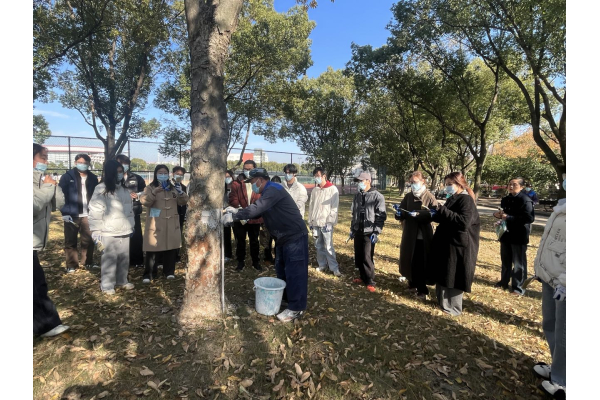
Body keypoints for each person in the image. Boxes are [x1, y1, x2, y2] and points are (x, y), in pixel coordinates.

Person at [223, 168, 309, 322]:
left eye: (252, 182)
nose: (252, 186)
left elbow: (256, 208)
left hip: (294, 236)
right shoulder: (267, 193)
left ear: (260, 180)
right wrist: (237, 211)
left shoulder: (273, 189)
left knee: (295, 272)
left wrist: (235, 216)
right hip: (282, 237)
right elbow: (257, 212)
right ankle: (287, 299)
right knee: (282, 270)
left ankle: (296, 308)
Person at [532, 175, 566, 398]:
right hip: (551, 276)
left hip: (566, 282)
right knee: (551, 324)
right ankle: (557, 367)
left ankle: (563, 381)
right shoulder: (563, 206)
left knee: (566, 333)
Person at [428, 172, 480, 316]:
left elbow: (464, 222)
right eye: (446, 184)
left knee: (454, 275)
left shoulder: (466, 200)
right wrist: (435, 213)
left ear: (459, 184)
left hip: (458, 245)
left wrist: (442, 210)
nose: (447, 187)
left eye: (450, 184)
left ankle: (453, 308)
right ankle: (443, 303)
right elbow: (446, 217)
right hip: (446, 242)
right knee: (444, 272)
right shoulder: (453, 198)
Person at [33, 143, 69, 337]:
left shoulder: (42, 179)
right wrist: (48, 187)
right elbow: (32, 206)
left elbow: (57, 205)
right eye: (43, 158)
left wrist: (54, 187)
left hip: (34, 241)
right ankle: (48, 325)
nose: (46, 162)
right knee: (36, 284)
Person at [88, 160, 135, 294]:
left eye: (121, 172)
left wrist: (132, 225)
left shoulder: (125, 189)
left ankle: (122, 280)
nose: (120, 174)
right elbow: (95, 210)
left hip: (125, 229)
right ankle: (107, 285)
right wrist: (96, 230)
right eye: (117, 172)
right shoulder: (101, 189)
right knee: (109, 258)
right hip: (108, 230)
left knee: (124, 257)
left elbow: (129, 210)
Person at [140, 165, 189, 282]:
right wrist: (154, 193)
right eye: (160, 172)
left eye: (165, 173)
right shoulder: (150, 187)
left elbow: (183, 201)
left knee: (170, 247)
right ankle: (150, 273)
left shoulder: (173, 187)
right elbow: (144, 201)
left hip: (171, 221)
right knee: (152, 247)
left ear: (168, 174)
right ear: (156, 174)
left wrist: (181, 192)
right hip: (156, 222)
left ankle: (169, 271)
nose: (163, 175)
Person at [395, 171, 438, 300]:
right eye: (411, 182)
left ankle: (422, 289)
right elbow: (402, 210)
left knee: (421, 262)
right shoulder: (408, 196)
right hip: (410, 234)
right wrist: (398, 214)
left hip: (422, 236)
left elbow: (435, 213)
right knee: (409, 259)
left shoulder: (429, 196)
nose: (412, 184)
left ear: (422, 181)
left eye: (415, 182)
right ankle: (412, 283)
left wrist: (420, 214)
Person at [493, 177, 535, 295]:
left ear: (521, 187)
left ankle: (518, 287)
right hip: (506, 233)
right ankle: (503, 282)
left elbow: (529, 218)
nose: (511, 186)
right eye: (509, 184)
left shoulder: (525, 200)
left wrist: (509, 217)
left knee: (518, 263)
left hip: (519, 235)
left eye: (514, 184)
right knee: (506, 260)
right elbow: (503, 212)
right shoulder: (506, 199)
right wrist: (497, 214)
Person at [58, 154, 99, 272]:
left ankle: (88, 262)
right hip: (71, 214)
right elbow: (61, 195)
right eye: (80, 162)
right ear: (75, 162)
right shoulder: (67, 177)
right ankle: (71, 265)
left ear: (89, 164)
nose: (83, 164)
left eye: (85, 163)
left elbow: (96, 195)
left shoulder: (93, 178)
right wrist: (64, 212)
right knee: (70, 240)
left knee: (88, 240)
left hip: (88, 214)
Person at [349, 171, 387, 292]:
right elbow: (354, 213)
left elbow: (381, 216)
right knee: (359, 255)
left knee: (367, 256)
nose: (359, 183)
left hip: (369, 231)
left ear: (368, 181)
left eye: (361, 181)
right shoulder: (357, 196)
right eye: (358, 181)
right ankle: (362, 276)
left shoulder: (377, 196)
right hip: (358, 230)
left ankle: (370, 280)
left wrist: (376, 231)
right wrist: (352, 229)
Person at [228, 160, 264, 271]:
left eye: (250, 169)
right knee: (240, 240)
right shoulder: (237, 183)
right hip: (240, 217)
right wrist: (242, 211)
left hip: (255, 217)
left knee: (254, 240)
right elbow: (232, 198)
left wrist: (253, 211)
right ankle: (240, 261)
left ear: (255, 169)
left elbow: (261, 198)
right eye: (245, 169)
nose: (247, 171)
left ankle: (255, 262)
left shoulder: (259, 182)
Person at [307, 167, 341, 276]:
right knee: (318, 245)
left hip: (326, 224)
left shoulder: (332, 189)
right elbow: (311, 206)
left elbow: (334, 207)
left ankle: (334, 268)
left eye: (318, 176)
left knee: (328, 246)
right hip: (316, 222)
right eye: (315, 176)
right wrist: (310, 221)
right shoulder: (315, 190)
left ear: (324, 176)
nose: (316, 178)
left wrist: (330, 222)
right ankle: (322, 264)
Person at [116, 154, 146, 268]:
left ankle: (137, 261)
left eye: (126, 164)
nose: (124, 166)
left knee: (136, 236)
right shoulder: (111, 179)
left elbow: (145, 191)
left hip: (134, 211)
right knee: (119, 238)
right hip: (117, 213)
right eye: (121, 163)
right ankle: (120, 261)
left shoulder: (136, 178)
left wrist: (137, 195)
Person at [172, 166, 188, 262]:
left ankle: (176, 255)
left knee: (178, 234)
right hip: (170, 214)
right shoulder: (168, 186)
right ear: (173, 174)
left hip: (180, 215)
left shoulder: (184, 188)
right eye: (177, 174)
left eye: (181, 175)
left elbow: (185, 201)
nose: (179, 176)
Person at [223, 170, 235, 261]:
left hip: (235, 212)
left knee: (238, 235)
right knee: (226, 235)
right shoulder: (221, 187)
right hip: (224, 213)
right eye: (225, 177)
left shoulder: (236, 186)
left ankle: (239, 256)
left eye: (228, 177)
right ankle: (227, 254)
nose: (227, 179)